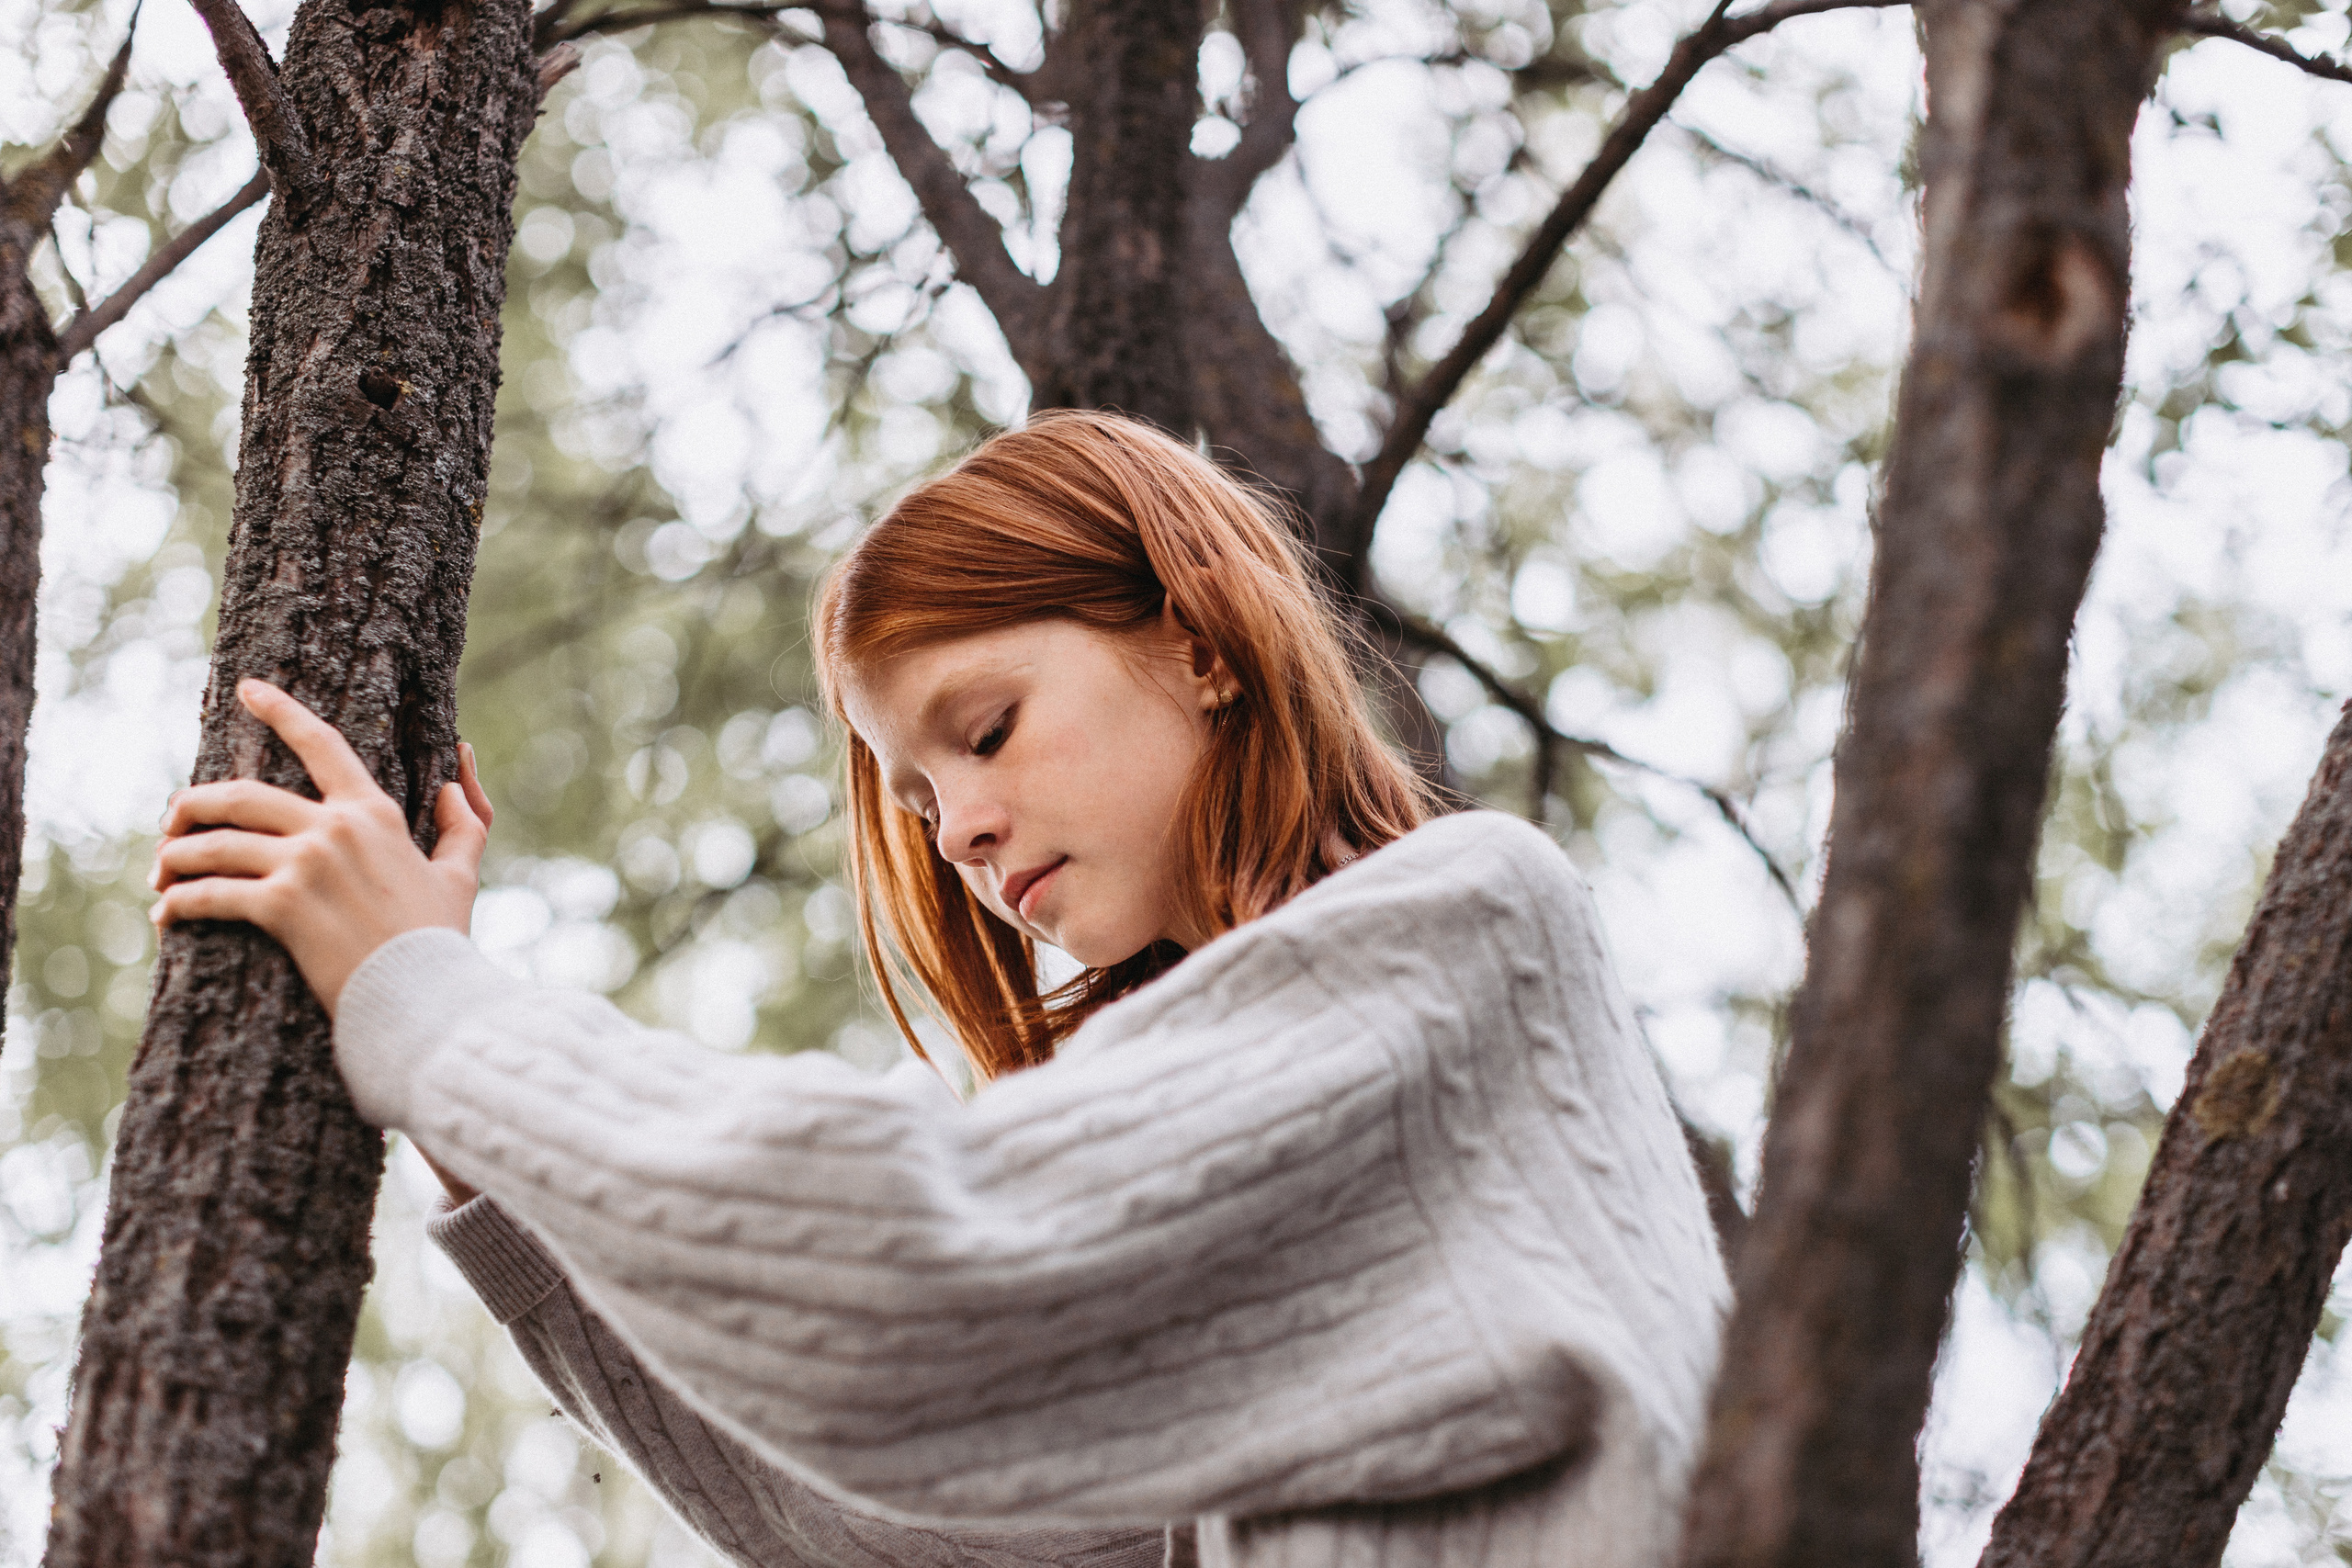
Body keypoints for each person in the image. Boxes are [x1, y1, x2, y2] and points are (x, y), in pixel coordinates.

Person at [151, 411, 1729, 1568]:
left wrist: (434, 1010)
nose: (959, 828)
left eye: (984, 730)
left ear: (1198, 647)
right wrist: (469, 1128)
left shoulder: (1476, 921)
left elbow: (921, 1274)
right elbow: (906, 1529)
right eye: (915, 795)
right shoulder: (1274, 1218)